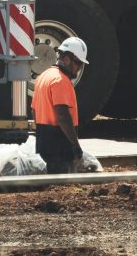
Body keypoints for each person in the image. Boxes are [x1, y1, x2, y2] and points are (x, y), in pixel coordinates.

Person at [32, 37, 89, 174]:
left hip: (44, 141)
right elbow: (62, 115)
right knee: (63, 185)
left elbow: (34, 111)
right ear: (67, 59)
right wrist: (75, 145)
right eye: (78, 63)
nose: (80, 68)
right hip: (59, 145)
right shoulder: (60, 80)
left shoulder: (43, 77)